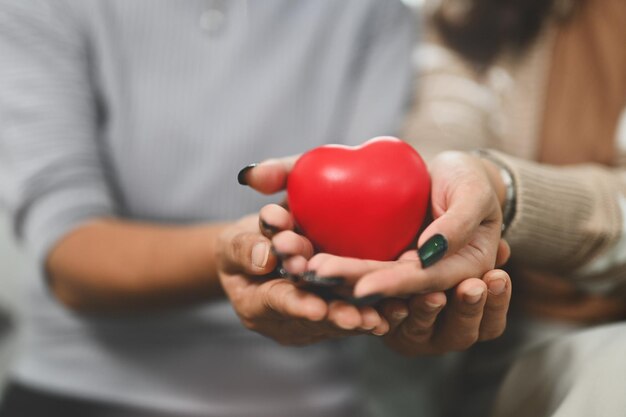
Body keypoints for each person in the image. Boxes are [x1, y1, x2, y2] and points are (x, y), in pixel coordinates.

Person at [0, 1, 512, 416]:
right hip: (83, 391)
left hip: (305, 397)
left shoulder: (376, 16)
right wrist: (242, 252)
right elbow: (67, 249)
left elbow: (374, 214)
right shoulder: (44, 8)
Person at [282, 0, 626, 415]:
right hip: (473, 334)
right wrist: (439, 194)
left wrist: (504, 189)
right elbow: (444, 125)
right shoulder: (465, 12)